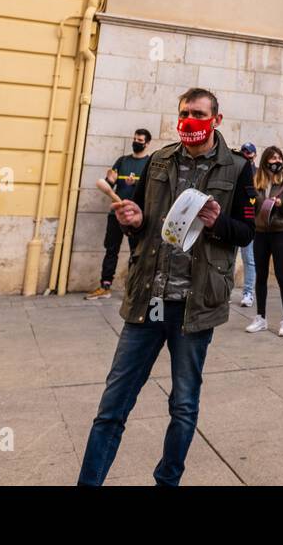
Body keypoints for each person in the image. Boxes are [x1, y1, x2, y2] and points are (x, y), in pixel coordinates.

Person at [78, 88, 255, 486]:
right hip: (147, 299)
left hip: (193, 307)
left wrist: (218, 223)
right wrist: (133, 218)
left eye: (198, 113)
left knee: (184, 407)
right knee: (112, 407)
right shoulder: (158, 160)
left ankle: (167, 481)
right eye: (184, 113)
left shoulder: (238, 168)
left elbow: (246, 232)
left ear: (216, 120)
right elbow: (139, 224)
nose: (190, 120)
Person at [87, 128, 153, 300]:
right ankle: (105, 286)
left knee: (136, 252)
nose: (136, 142)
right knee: (111, 249)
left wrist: (135, 185)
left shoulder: (149, 163)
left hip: (135, 216)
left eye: (140, 140)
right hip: (116, 214)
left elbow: (152, 189)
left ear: (147, 143)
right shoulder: (122, 161)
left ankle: (133, 288)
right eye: (135, 139)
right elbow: (108, 183)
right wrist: (111, 180)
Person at [245, 146, 283, 338]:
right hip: (260, 233)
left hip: (280, 233)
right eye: (272, 158)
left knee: (282, 275)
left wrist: (282, 204)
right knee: (260, 276)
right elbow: (250, 204)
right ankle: (260, 317)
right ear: (265, 161)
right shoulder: (257, 180)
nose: (276, 161)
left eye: (279, 158)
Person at [238, 142, 258, 307]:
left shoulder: (259, 175)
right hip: (235, 219)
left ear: (254, 155)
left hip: (249, 220)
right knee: (227, 257)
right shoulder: (235, 171)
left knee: (249, 259)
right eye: (244, 152)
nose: (247, 155)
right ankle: (225, 292)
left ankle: (248, 293)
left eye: (249, 153)